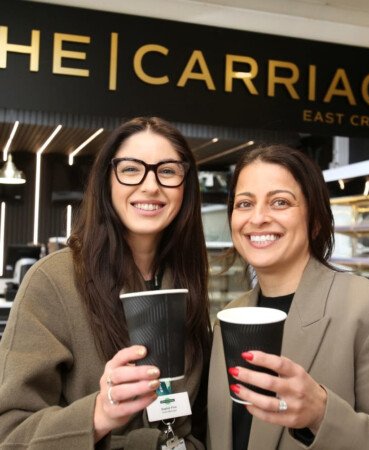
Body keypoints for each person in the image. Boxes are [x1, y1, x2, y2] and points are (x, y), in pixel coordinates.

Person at [0, 117, 211, 448]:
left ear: (186, 186)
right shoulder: (53, 281)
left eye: (167, 171)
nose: (151, 185)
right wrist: (98, 414)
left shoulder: (186, 279)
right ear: (106, 181)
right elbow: (10, 434)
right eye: (130, 169)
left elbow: (198, 418)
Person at [206, 146, 369, 450]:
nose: (258, 218)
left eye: (280, 202)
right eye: (245, 203)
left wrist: (320, 415)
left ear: (314, 219)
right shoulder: (230, 317)